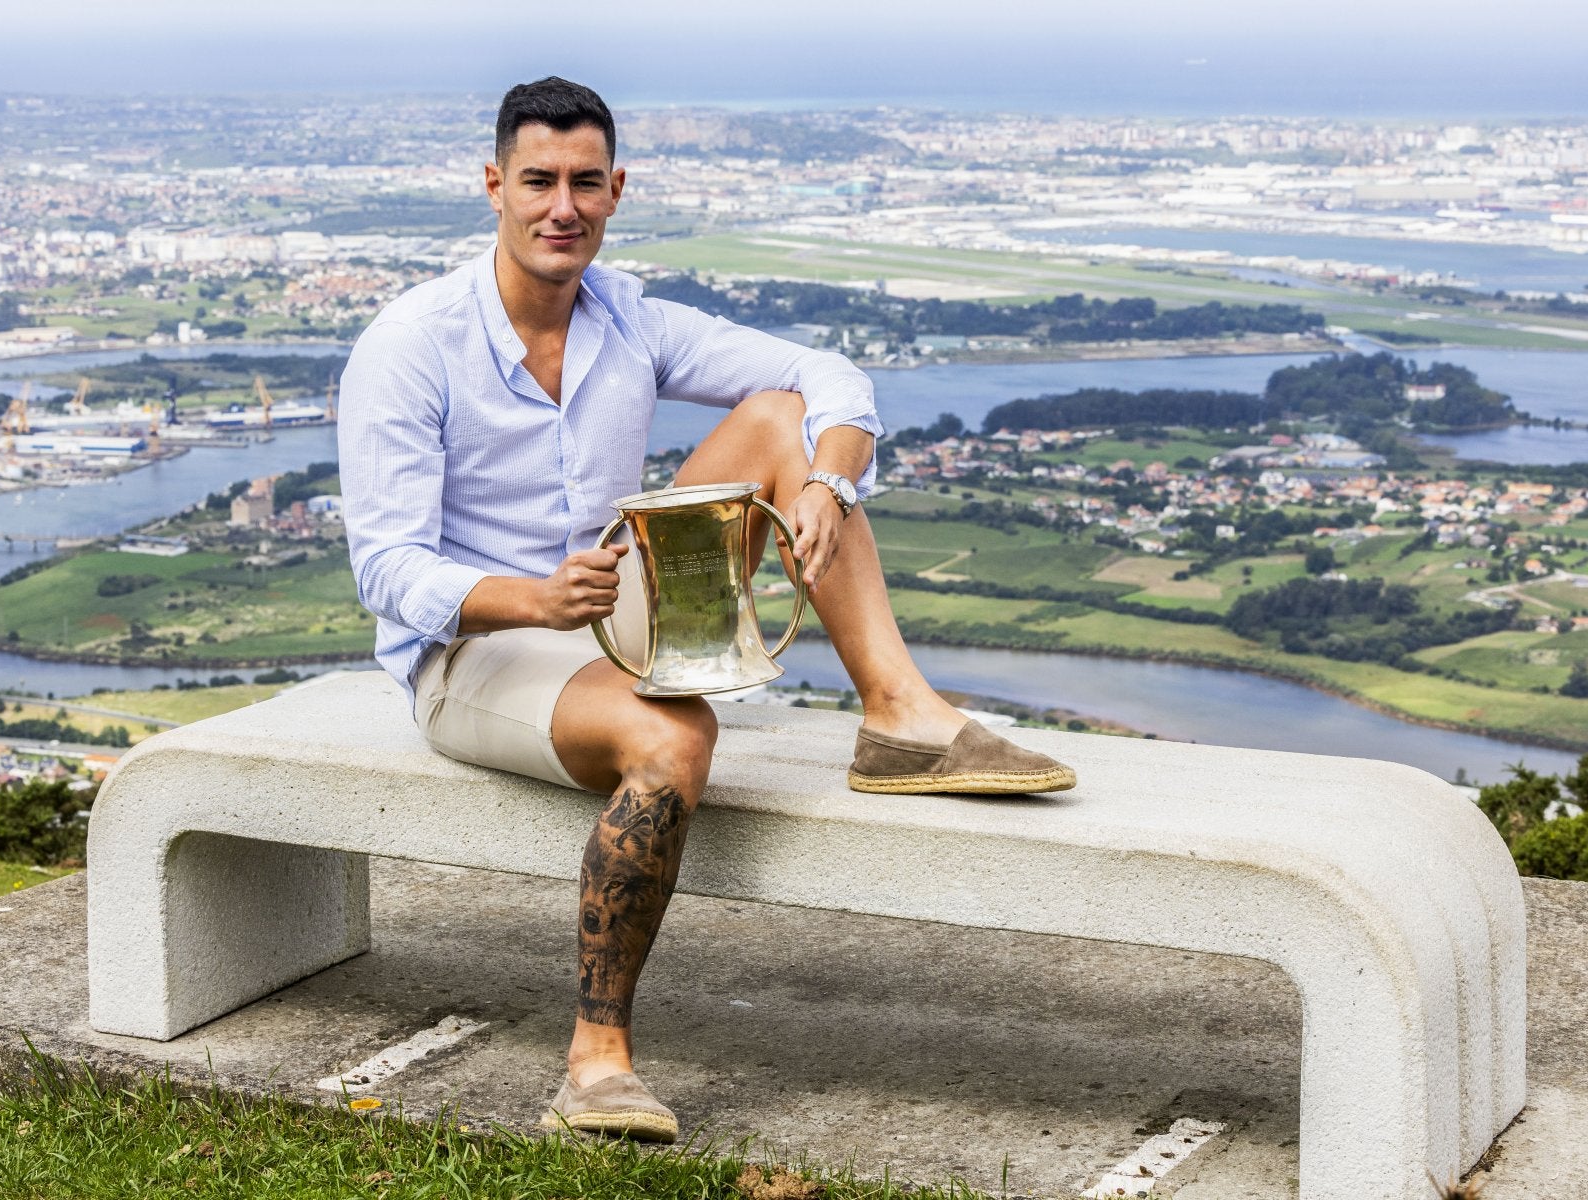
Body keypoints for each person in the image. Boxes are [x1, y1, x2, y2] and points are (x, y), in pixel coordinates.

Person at [337, 76, 1074, 1144]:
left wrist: (829, 478)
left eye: (586, 183)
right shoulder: (412, 345)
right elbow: (390, 571)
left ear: (617, 189)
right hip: (479, 645)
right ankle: (596, 1059)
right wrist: (533, 600)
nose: (563, 207)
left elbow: (824, 374)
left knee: (785, 421)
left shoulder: (625, 315)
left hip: (610, 598)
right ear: (493, 185)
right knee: (674, 732)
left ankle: (903, 719)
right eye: (538, 181)